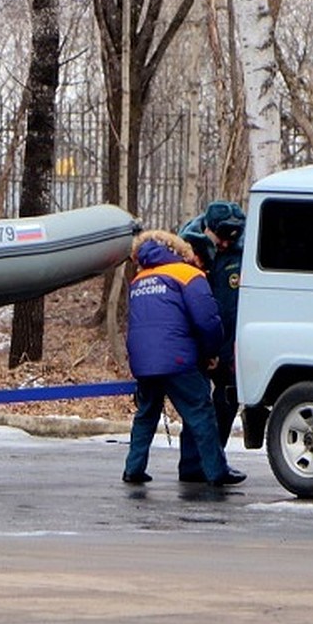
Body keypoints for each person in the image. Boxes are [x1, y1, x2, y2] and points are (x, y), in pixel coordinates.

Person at [121, 229, 246, 487]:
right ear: (179, 251)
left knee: (146, 414)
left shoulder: (139, 280)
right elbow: (207, 321)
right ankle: (216, 470)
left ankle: (133, 468)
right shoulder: (188, 275)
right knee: (201, 414)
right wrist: (211, 352)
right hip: (179, 360)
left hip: (144, 362)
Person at [179, 201, 245, 452]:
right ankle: (193, 463)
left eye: (232, 238)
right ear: (208, 228)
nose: (226, 244)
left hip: (227, 341)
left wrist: (224, 351)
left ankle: (215, 457)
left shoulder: (240, 253)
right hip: (196, 340)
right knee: (197, 404)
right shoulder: (187, 250)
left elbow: (234, 309)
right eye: (221, 237)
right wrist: (202, 350)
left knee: (228, 398)